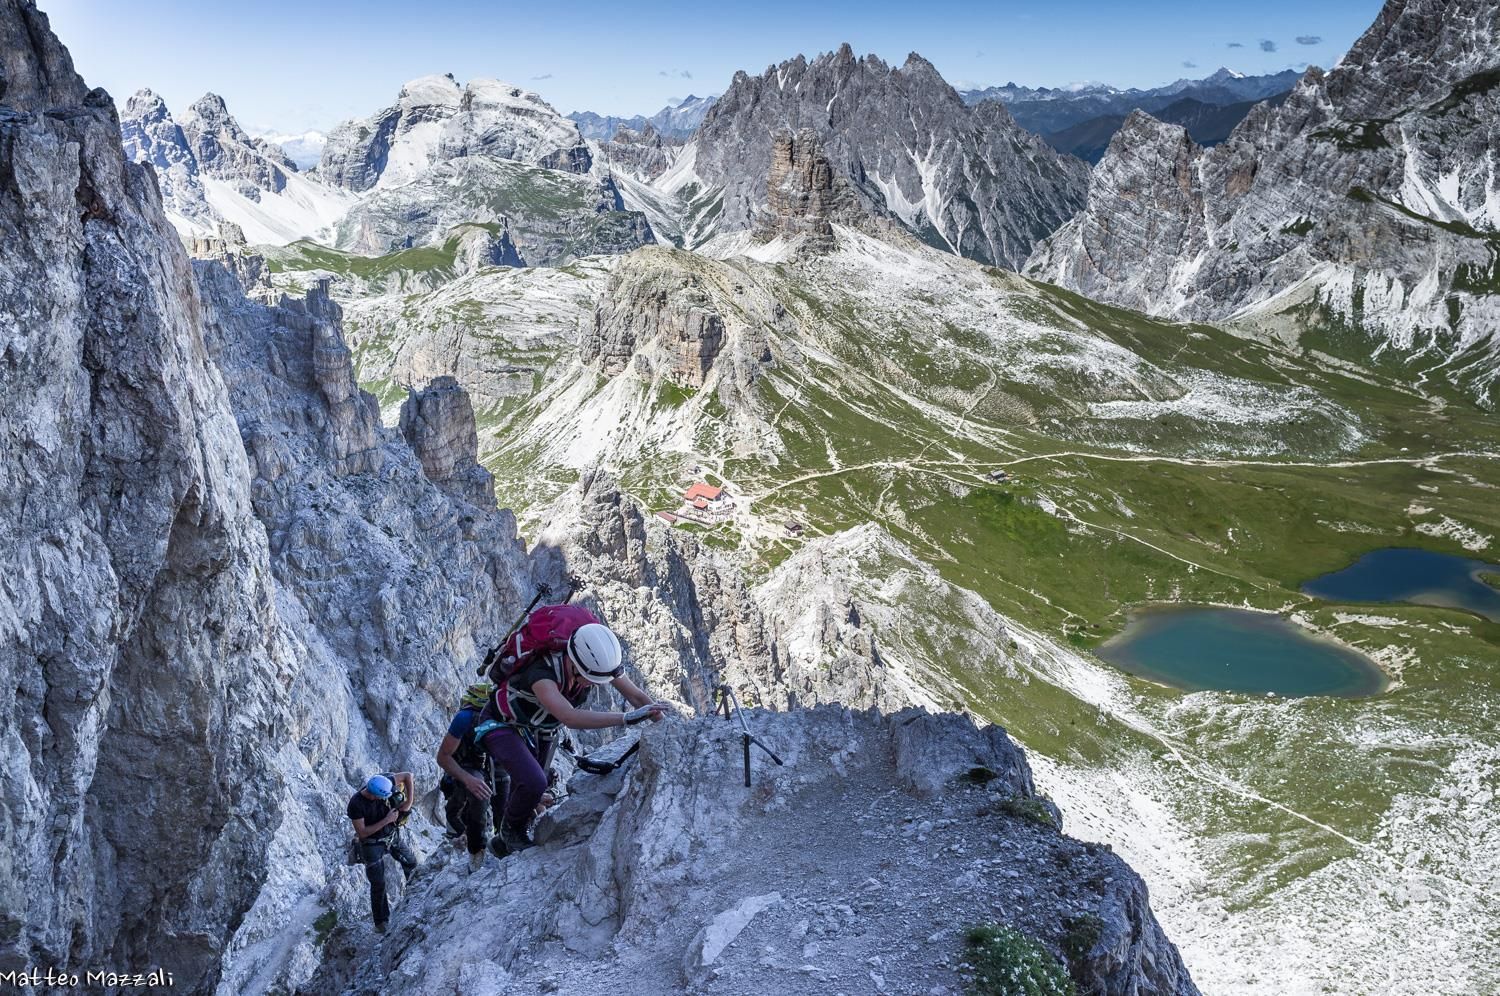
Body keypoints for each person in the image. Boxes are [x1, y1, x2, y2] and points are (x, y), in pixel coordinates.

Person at [478, 622, 669, 852]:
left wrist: (667, 725)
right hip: (500, 723)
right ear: (576, 665)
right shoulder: (542, 674)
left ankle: (504, 840)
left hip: (541, 728)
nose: (592, 685)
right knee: (533, 781)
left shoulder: (598, 663)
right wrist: (627, 718)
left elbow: (635, 695)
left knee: (538, 787)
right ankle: (509, 834)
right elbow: (569, 716)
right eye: (590, 679)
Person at [436, 683, 508, 871]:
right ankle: (477, 850)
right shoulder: (464, 718)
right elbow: (443, 757)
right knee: (479, 796)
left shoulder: (505, 715)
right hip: (470, 762)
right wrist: (468, 779)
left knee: (504, 798)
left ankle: (505, 839)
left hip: (493, 760)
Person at [347, 772, 418, 933]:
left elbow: (408, 776)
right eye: (382, 798)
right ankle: (381, 922)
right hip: (372, 845)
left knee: (411, 863)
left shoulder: (384, 781)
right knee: (378, 883)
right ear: (373, 796)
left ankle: (416, 897)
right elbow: (363, 833)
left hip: (392, 835)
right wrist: (387, 820)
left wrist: (409, 801)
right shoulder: (356, 804)